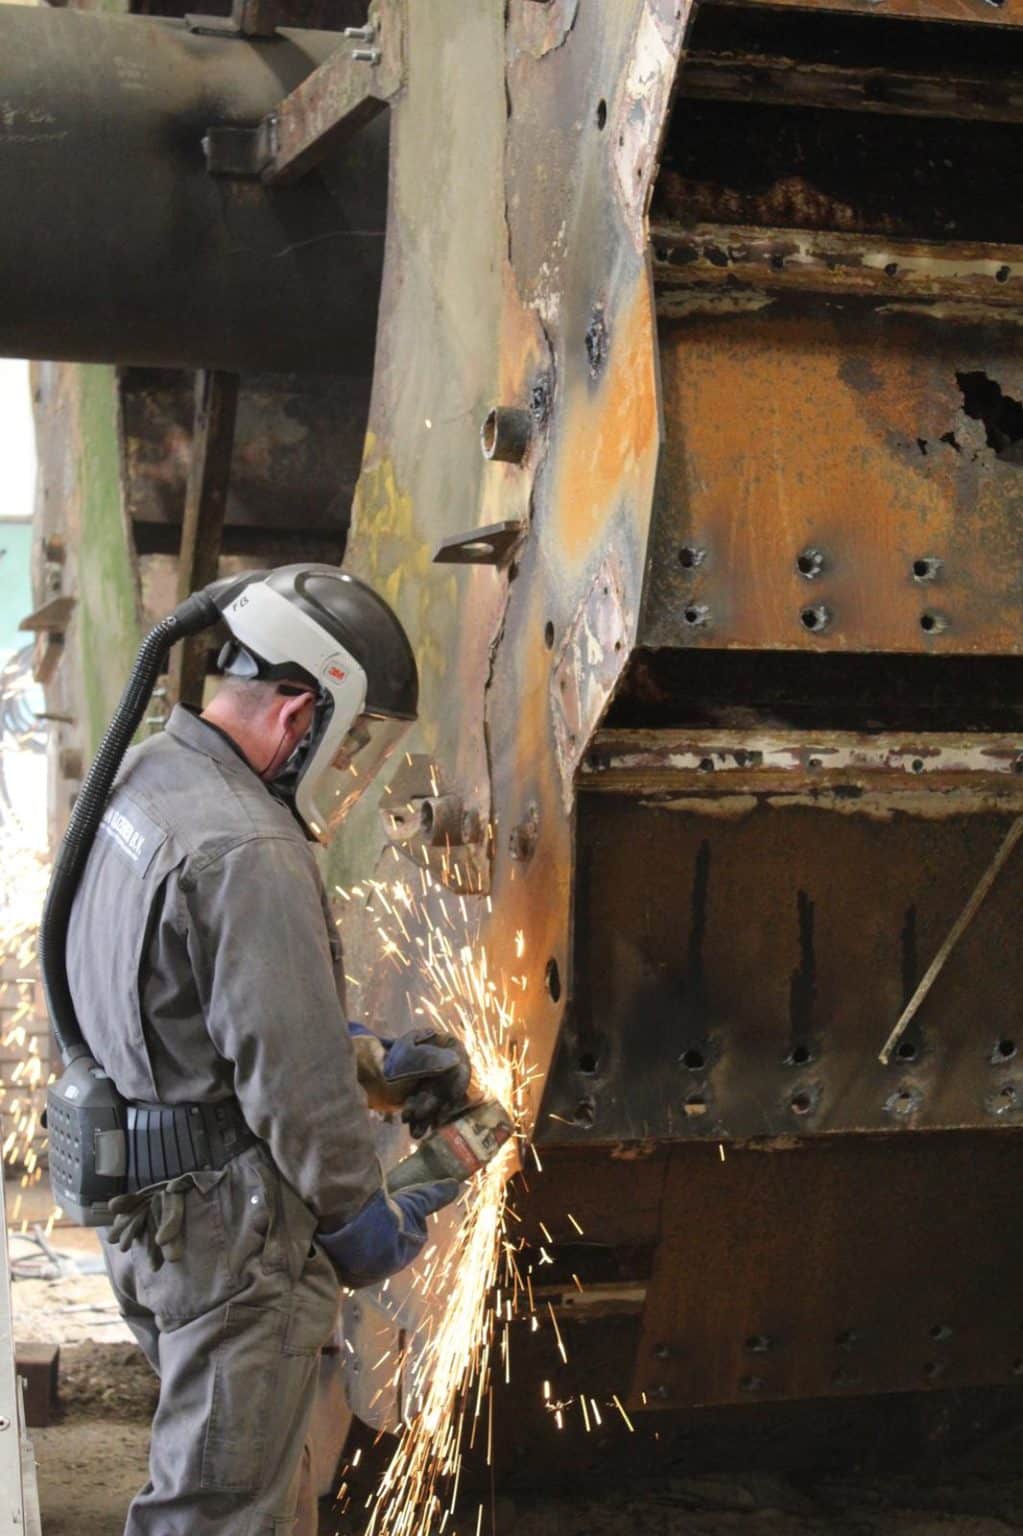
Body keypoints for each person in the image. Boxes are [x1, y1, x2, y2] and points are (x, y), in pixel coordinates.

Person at [64, 565, 469, 1536]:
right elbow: (298, 1099)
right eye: (351, 739)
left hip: (148, 1207)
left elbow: (179, 1000)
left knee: (247, 1485)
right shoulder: (251, 845)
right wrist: (361, 1216)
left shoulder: (145, 779)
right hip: (232, 1242)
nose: (346, 764)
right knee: (213, 1514)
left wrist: (364, 1057)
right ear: (298, 710)